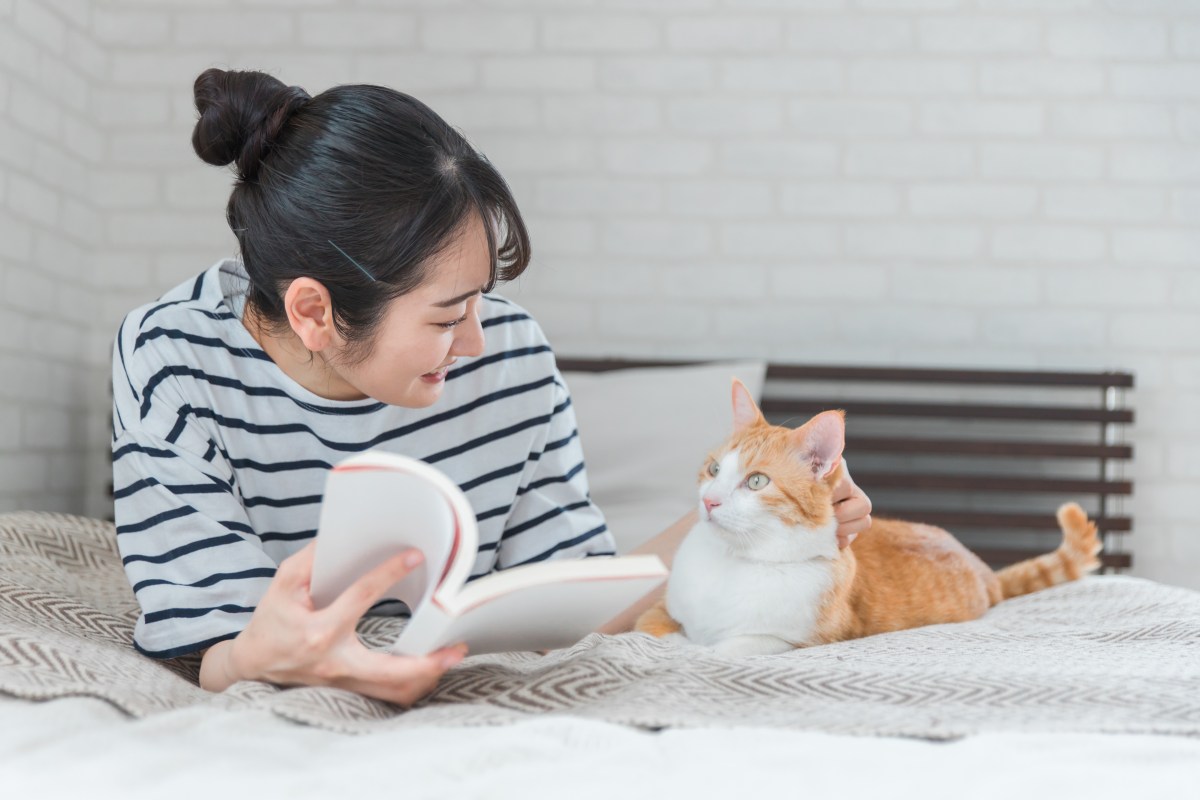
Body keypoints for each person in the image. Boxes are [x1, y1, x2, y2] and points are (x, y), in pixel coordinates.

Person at [111, 69, 873, 708]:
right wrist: (259, 659)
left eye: (482, 299)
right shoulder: (173, 358)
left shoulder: (513, 356)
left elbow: (573, 600)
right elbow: (206, 645)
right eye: (448, 315)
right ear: (316, 311)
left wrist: (780, 521)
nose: (479, 340)